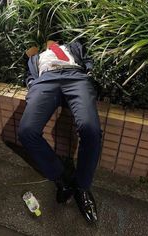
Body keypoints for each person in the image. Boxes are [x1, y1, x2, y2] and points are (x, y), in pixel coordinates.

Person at [18, 39, 102, 223]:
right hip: (45, 80)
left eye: (53, 41)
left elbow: (88, 59)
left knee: (91, 129)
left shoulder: (72, 47)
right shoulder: (36, 57)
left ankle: (82, 187)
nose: (51, 43)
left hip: (76, 77)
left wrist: (88, 73)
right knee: (26, 131)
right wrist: (32, 83)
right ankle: (61, 178)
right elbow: (29, 75)